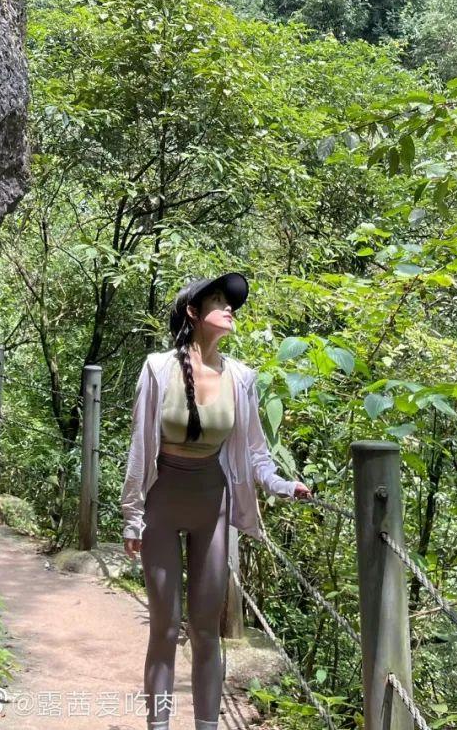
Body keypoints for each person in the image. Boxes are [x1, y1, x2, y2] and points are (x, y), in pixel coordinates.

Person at [120, 273, 313, 730]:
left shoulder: (241, 377)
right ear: (193, 312)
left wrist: (283, 485)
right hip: (162, 504)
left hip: (213, 506)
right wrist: (132, 516)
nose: (229, 309)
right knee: (165, 629)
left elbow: (255, 453)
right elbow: (140, 447)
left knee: (207, 631)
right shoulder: (158, 369)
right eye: (218, 301)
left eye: (231, 303)